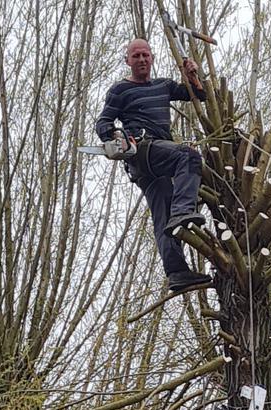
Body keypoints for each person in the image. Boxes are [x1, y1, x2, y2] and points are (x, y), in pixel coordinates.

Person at [96, 38, 211, 293]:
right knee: (189, 157)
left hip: (155, 160)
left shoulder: (164, 86)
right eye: (135, 56)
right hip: (142, 149)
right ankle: (183, 210)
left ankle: (177, 272)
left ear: (152, 58)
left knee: (163, 214)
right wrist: (115, 137)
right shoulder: (120, 91)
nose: (141, 60)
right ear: (127, 60)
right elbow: (103, 122)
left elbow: (200, 94)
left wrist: (192, 74)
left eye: (145, 55)